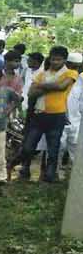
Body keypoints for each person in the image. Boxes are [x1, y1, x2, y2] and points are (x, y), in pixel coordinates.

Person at [19, 46, 77, 183]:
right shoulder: (42, 73)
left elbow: (62, 87)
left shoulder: (71, 73)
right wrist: (51, 86)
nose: (55, 62)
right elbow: (31, 93)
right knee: (28, 146)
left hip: (57, 116)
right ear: (49, 59)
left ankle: (50, 176)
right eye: (53, 59)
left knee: (53, 148)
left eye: (59, 59)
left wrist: (42, 86)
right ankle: (25, 169)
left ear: (64, 60)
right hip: (38, 115)